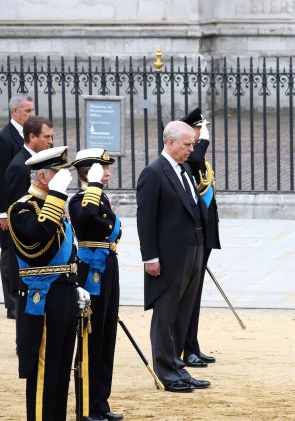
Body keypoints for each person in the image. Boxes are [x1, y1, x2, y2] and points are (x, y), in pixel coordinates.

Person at [8, 146, 90, 420]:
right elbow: (39, 241)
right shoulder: (22, 208)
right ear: (43, 177)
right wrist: (56, 196)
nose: (64, 178)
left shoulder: (53, 207)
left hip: (63, 293)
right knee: (44, 368)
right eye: (58, 172)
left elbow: (67, 249)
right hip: (42, 299)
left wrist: (73, 282)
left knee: (61, 367)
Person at [136, 120, 210, 393]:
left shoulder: (184, 169)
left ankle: (178, 366)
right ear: (170, 142)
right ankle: (166, 372)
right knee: (165, 315)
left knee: (182, 314)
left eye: (193, 144)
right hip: (169, 256)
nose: (192, 149)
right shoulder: (153, 173)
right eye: (188, 144)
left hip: (194, 249)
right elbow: (145, 219)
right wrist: (150, 257)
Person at [69, 148, 123, 421]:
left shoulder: (100, 198)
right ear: (89, 173)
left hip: (108, 265)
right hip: (91, 269)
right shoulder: (80, 200)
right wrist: (92, 186)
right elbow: (85, 219)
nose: (108, 173)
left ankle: (101, 402)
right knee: (91, 337)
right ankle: (88, 406)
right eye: (103, 169)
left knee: (106, 336)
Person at [179, 108, 220, 368]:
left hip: (204, 233)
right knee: (187, 298)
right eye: (198, 129)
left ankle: (192, 345)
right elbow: (195, 160)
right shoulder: (188, 158)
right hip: (191, 235)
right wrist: (202, 142)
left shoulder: (196, 158)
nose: (202, 133)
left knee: (195, 297)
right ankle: (186, 348)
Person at [3, 116, 54, 320]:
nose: (50, 141)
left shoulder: (37, 161)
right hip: (26, 244)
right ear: (32, 137)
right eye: (46, 137)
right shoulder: (19, 166)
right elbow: (17, 210)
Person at [0, 93, 35, 319]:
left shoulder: (26, 134)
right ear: (15, 111)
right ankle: (12, 303)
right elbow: (1, 178)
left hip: (23, 205)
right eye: (27, 111)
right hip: (8, 207)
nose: (31, 115)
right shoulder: (5, 138)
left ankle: (20, 296)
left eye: (32, 110)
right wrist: (2, 213)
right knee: (8, 254)